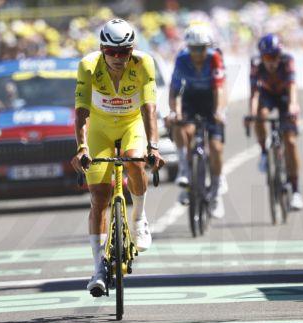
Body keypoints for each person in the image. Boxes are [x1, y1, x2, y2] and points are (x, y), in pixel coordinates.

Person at [71, 19, 164, 297]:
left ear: (132, 50)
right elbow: (81, 113)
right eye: (112, 52)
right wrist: (82, 148)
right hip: (99, 129)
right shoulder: (88, 66)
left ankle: (138, 218)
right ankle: (98, 268)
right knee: (99, 197)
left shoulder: (144, 63)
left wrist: (154, 146)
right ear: (102, 49)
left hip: (131, 125)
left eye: (124, 52)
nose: (119, 58)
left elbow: (149, 109)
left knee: (134, 160)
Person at [168, 24, 227, 219]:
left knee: (216, 147)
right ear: (188, 47)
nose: (198, 53)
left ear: (208, 47)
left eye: (202, 48)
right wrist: (175, 112)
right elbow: (174, 91)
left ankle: (217, 190)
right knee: (181, 127)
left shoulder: (215, 57)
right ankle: (185, 170)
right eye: (193, 48)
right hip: (191, 100)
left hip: (211, 101)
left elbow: (220, 89)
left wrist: (219, 111)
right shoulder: (182, 59)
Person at [246, 33, 303, 210]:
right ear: (261, 56)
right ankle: (264, 152)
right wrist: (252, 113)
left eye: (274, 57)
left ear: (280, 55)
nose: (271, 61)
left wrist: (294, 105)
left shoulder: (288, 60)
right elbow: (254, 93)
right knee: (259, 115)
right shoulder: (256, 64)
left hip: (285, 96)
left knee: (291, 142)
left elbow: (293, 86)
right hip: (267, 95)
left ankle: (295, 191)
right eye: (267, 57)